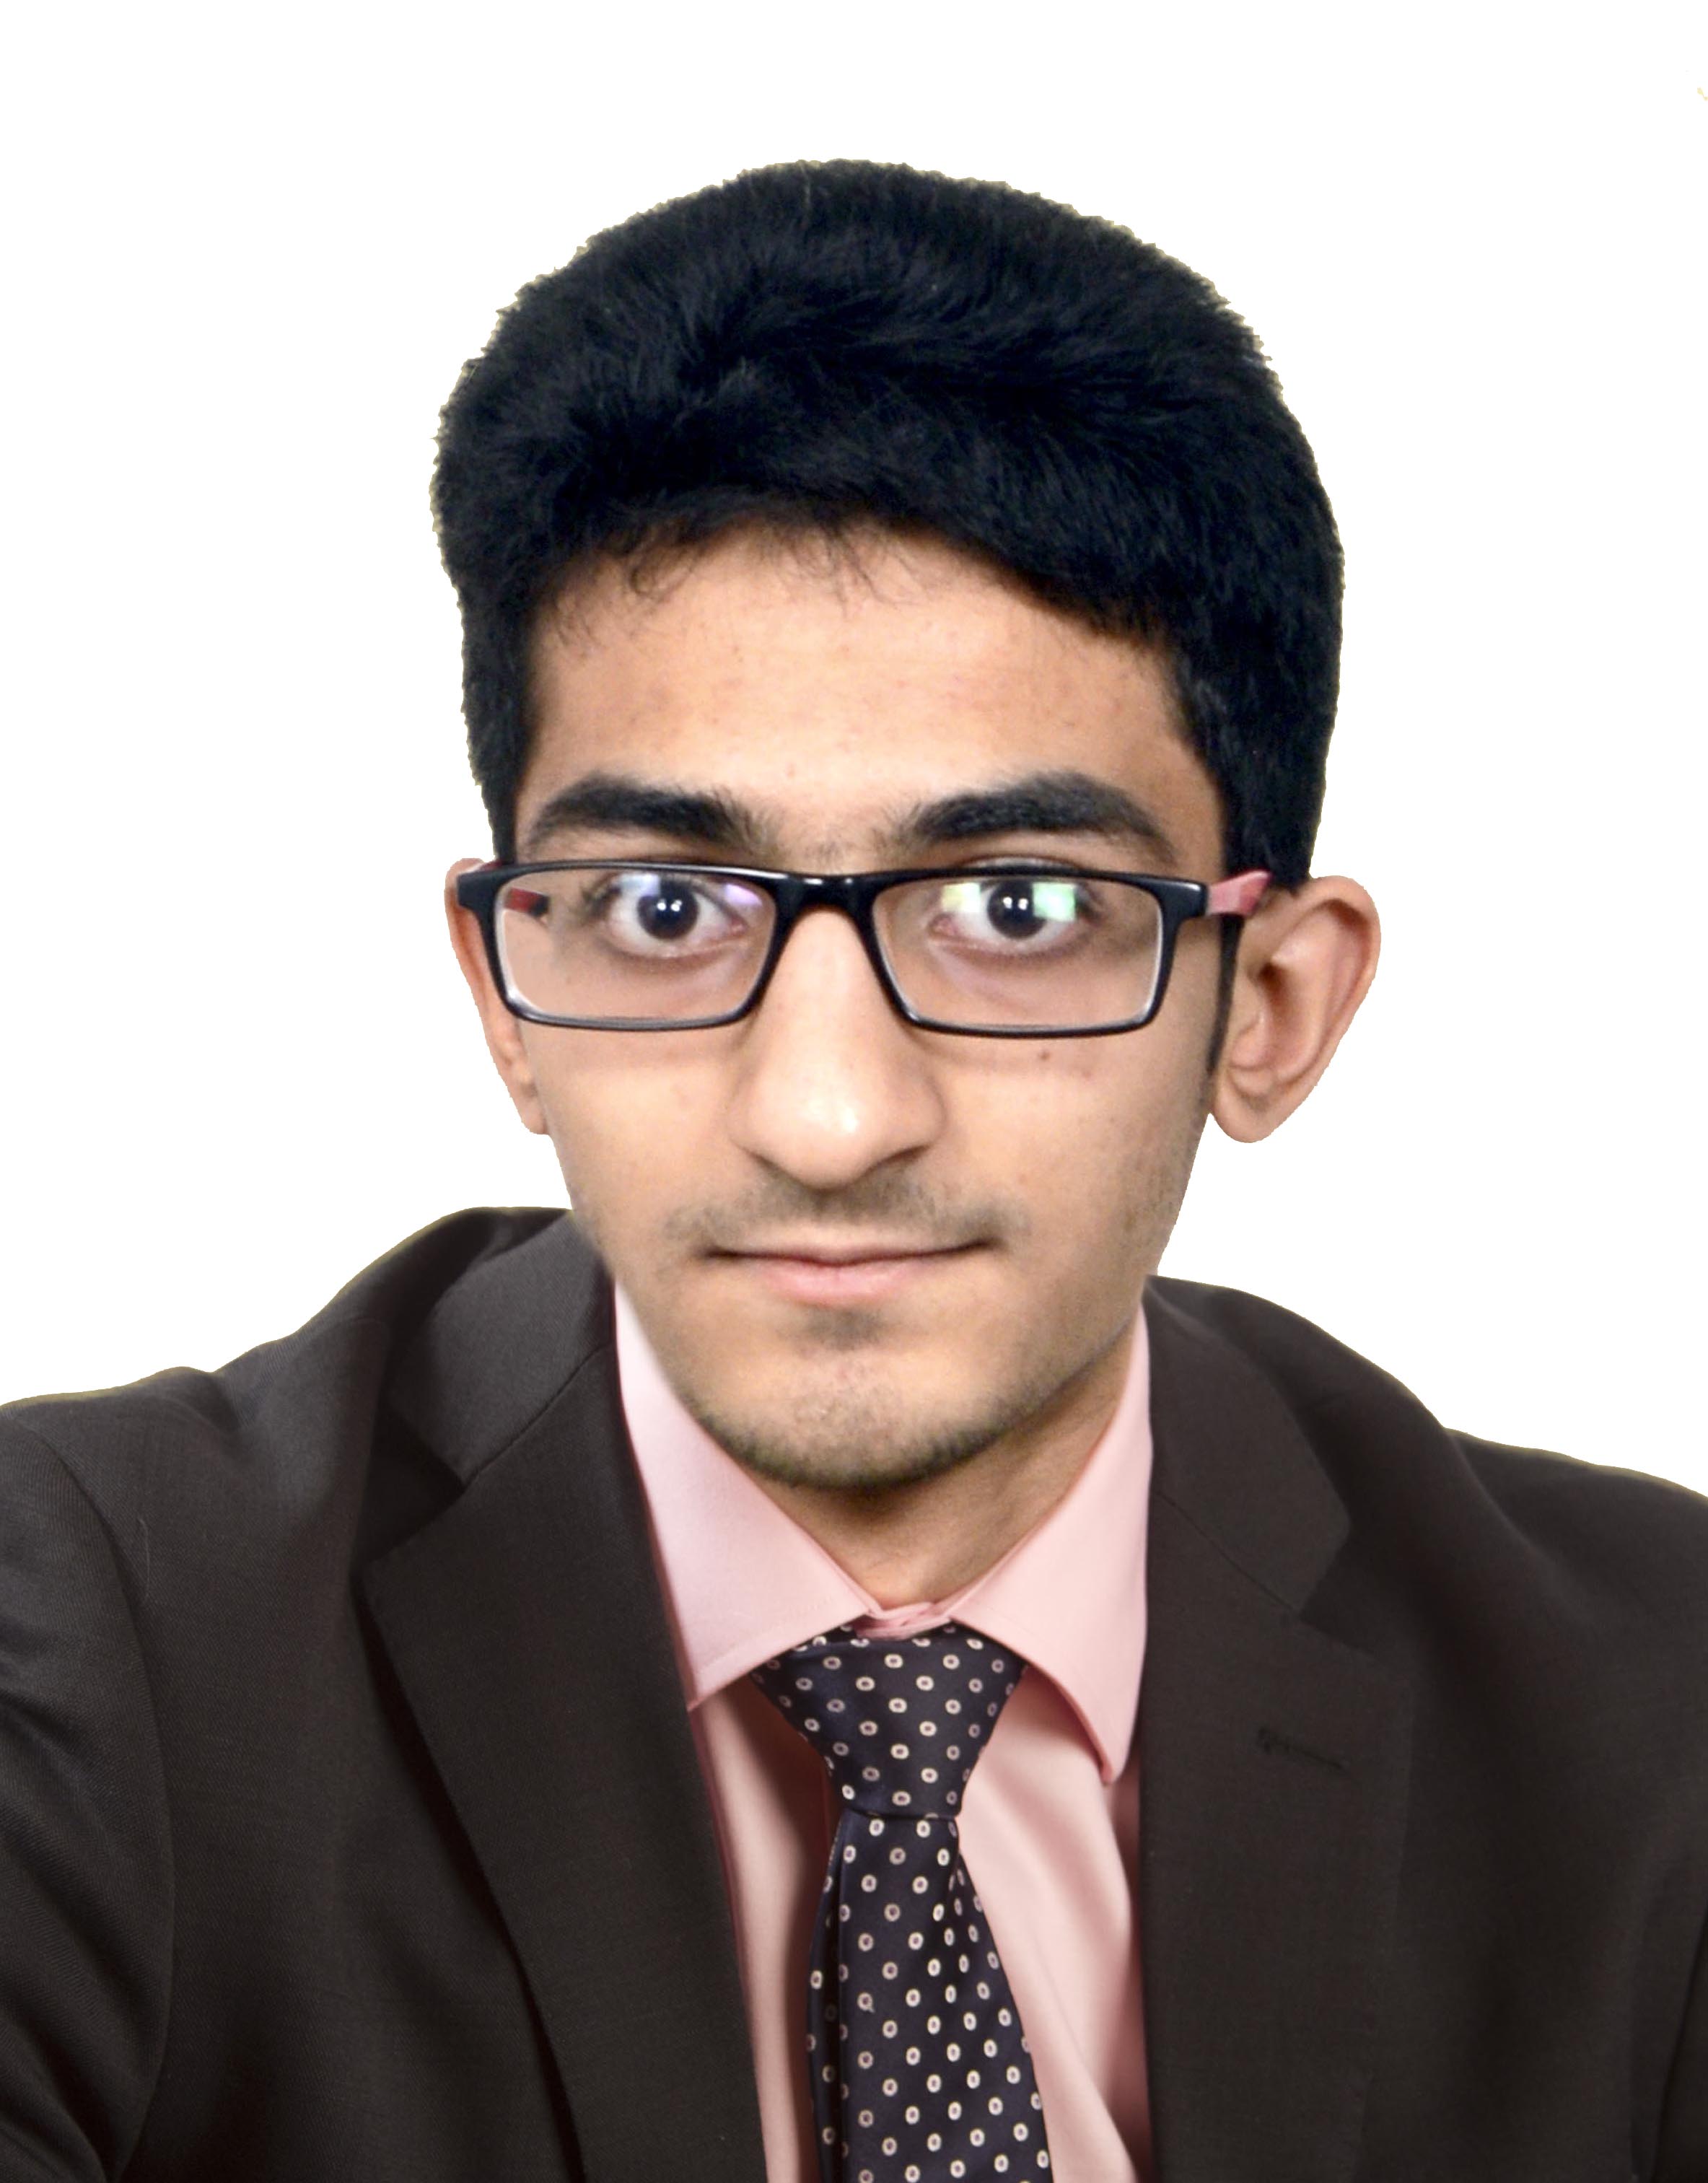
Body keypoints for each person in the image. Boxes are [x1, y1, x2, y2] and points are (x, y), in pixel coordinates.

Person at [1, 158, 1703, 2183]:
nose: (824, 1117)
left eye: (1015, 906)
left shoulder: (1653, 1708)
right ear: (506, 996)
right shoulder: (86, 1640)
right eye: (662, 907)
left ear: (1271, 1004)